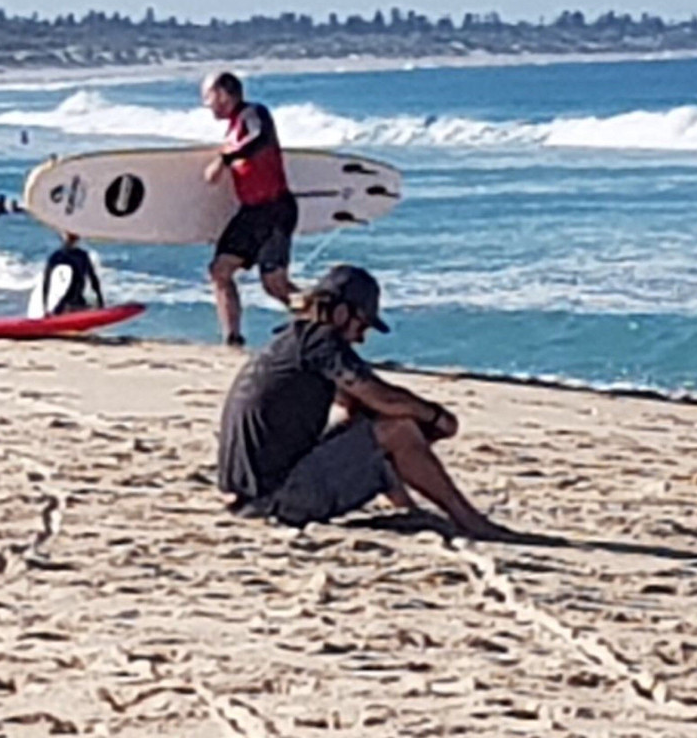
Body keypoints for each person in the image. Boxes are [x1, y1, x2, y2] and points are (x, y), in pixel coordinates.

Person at [218, 264, 512, 539]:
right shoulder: (321, 340)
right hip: (276, 499)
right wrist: (436, 417)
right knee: (397, 430)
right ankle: (468, 519)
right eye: (362, 326)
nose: (360, 339)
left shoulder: (292, 342)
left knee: (372, 425)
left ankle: (406, 508)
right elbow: (380, 396)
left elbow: (359, 406)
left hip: (247, 495)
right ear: (342, 312)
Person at [202, 72, 298, 347]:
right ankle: (232, 338)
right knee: (220, 271)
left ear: (222, 94)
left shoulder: (254, 113)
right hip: (253, 212)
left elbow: (260, 138)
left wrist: (224, 158)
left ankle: (324, 322)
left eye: (207, 97)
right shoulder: (232, 128)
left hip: (275, 209)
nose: (206, 105)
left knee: (275, 285)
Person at [42, 232, 104, 315]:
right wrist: (45, 309)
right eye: (69, 237)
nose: (71, 240)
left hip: (78, 303)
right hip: (66, 306)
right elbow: (46, 283)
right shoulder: (57, 257)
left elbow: (93, 280)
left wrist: (100, 303)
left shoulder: (82, 256)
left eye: (74, 238)